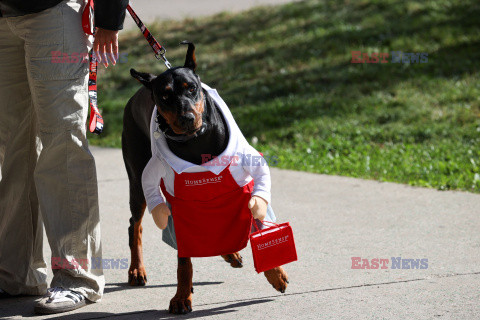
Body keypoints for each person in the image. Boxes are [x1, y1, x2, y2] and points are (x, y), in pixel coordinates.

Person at [0, 0, 127, 314]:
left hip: (54, 12)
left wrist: (109, 19)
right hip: (4, 19)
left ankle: (76, 278)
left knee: (62, 144)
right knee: (14, 149)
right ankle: (17, 275)